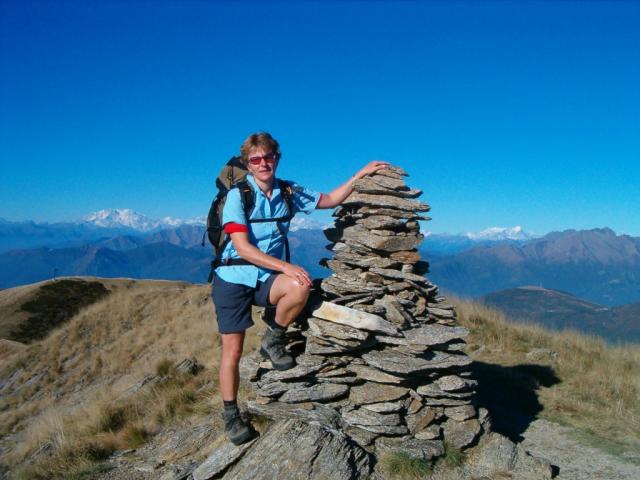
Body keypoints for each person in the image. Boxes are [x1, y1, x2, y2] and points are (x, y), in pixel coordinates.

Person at [212, 131, 388, 445]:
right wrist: (285, 266)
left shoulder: (289, 191)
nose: (263, 163)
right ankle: (230, 413)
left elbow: (330, 200)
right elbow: (241, 247)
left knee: (300, 286)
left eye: (268, 157)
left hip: (266, 277)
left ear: (277, 158)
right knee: (233, 351)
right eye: (256, 159)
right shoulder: (238, 196)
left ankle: (273, 338)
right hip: (233, 278)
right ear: (247, 164)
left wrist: (359, 175)